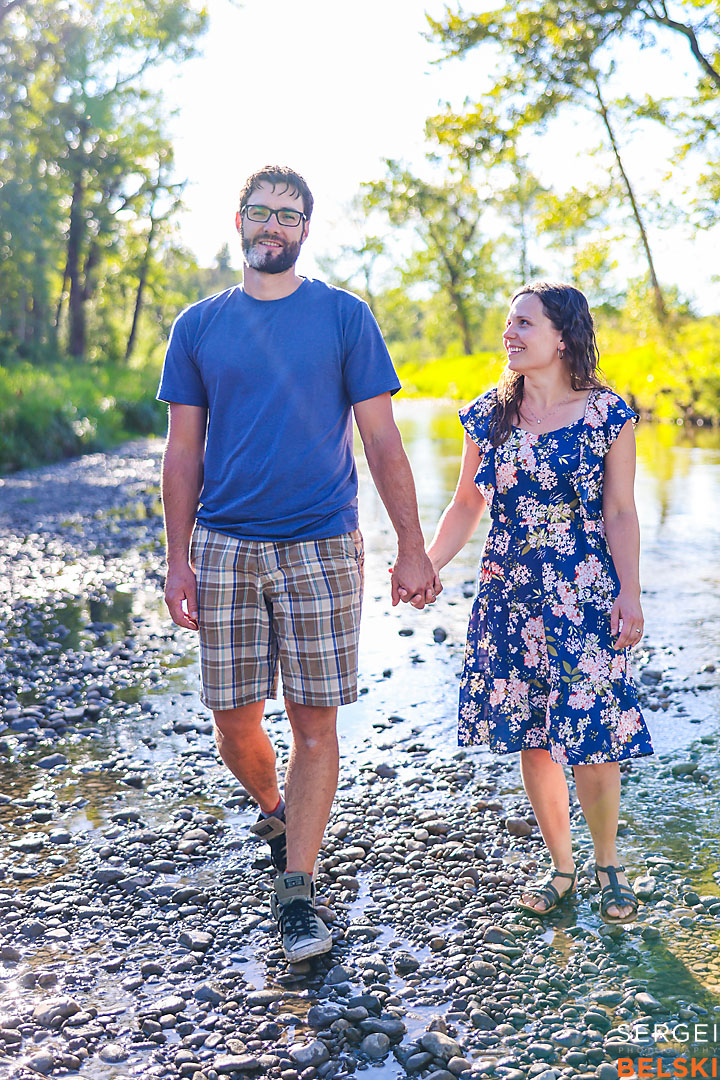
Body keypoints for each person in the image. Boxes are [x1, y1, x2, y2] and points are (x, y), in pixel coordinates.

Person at [158, 165, 438, 962]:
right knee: (233, 719)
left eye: (288, 215)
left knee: (316, 723)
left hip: (321, 545)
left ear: (307, 229)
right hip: (224, 545)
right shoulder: (198, 326)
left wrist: (411, 546)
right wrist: (176, 560)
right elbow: (182, 453)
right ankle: (276, 806)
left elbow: (382, 441)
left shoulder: (345, 317)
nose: (272, 226)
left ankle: (297, 891)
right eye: (260, 212)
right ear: (238, 219)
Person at [415, 281, 653, 924]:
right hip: (510, 589)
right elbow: (468, 503)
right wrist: (428, 564)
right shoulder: (489, 413)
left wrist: (630, 595)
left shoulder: (609, 415)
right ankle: (563, 869)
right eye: (508, 323)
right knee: (535, 734)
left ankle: (609, 869)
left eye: (525, 323)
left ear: (563, 337)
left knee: (595, 737)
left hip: (585, 589)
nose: (510, 334)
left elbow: (622, 511)